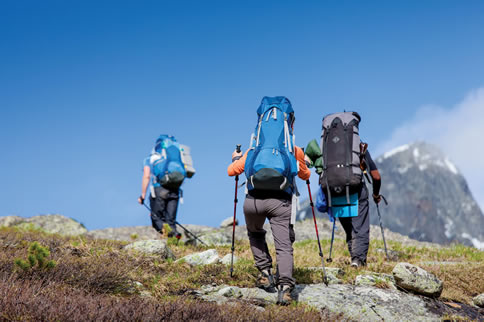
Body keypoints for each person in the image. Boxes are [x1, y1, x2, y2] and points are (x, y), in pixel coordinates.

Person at [227, 97, 311, 305]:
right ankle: (285, 289)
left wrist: (237, 159)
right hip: (280, 201)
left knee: (255, 233)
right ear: (289, 123)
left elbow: (231, 172)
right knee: (283, 245)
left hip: (253, 201)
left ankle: (265, 272)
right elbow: (305, 175)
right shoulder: (293, 149)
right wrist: (304, 162)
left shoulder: (253, 149)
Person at [338, 147, 382, 267]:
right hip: (357, 190)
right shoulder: (359, 147)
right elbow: (376, 176)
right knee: (360, 227)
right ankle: (358, 261)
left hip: (336, 191)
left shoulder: (330, 146)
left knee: (350, 228)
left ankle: (355, 258)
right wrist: (376, 194)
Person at [138, 136, 186, 238]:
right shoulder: (176, 158)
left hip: (159, 189)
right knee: (171, 220)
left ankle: (170, 236)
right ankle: (174, 236)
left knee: (156, 218)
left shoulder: (151, 158)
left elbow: (146, 176)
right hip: (175, 190)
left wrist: (142, 195)